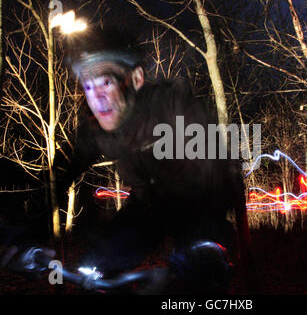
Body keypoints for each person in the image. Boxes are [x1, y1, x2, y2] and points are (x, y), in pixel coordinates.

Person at [1, 28, 247, 294]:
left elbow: (216, 173)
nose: (96, 98)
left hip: (198, 201)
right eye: (87, 86)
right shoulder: (96, 129)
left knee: (199, 269)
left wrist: (203, 244)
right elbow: (59, 176)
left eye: (106, 82)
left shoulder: (172, 105)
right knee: (93, 270)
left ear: (136, 79)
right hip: (147, 206)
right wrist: (29, 232)